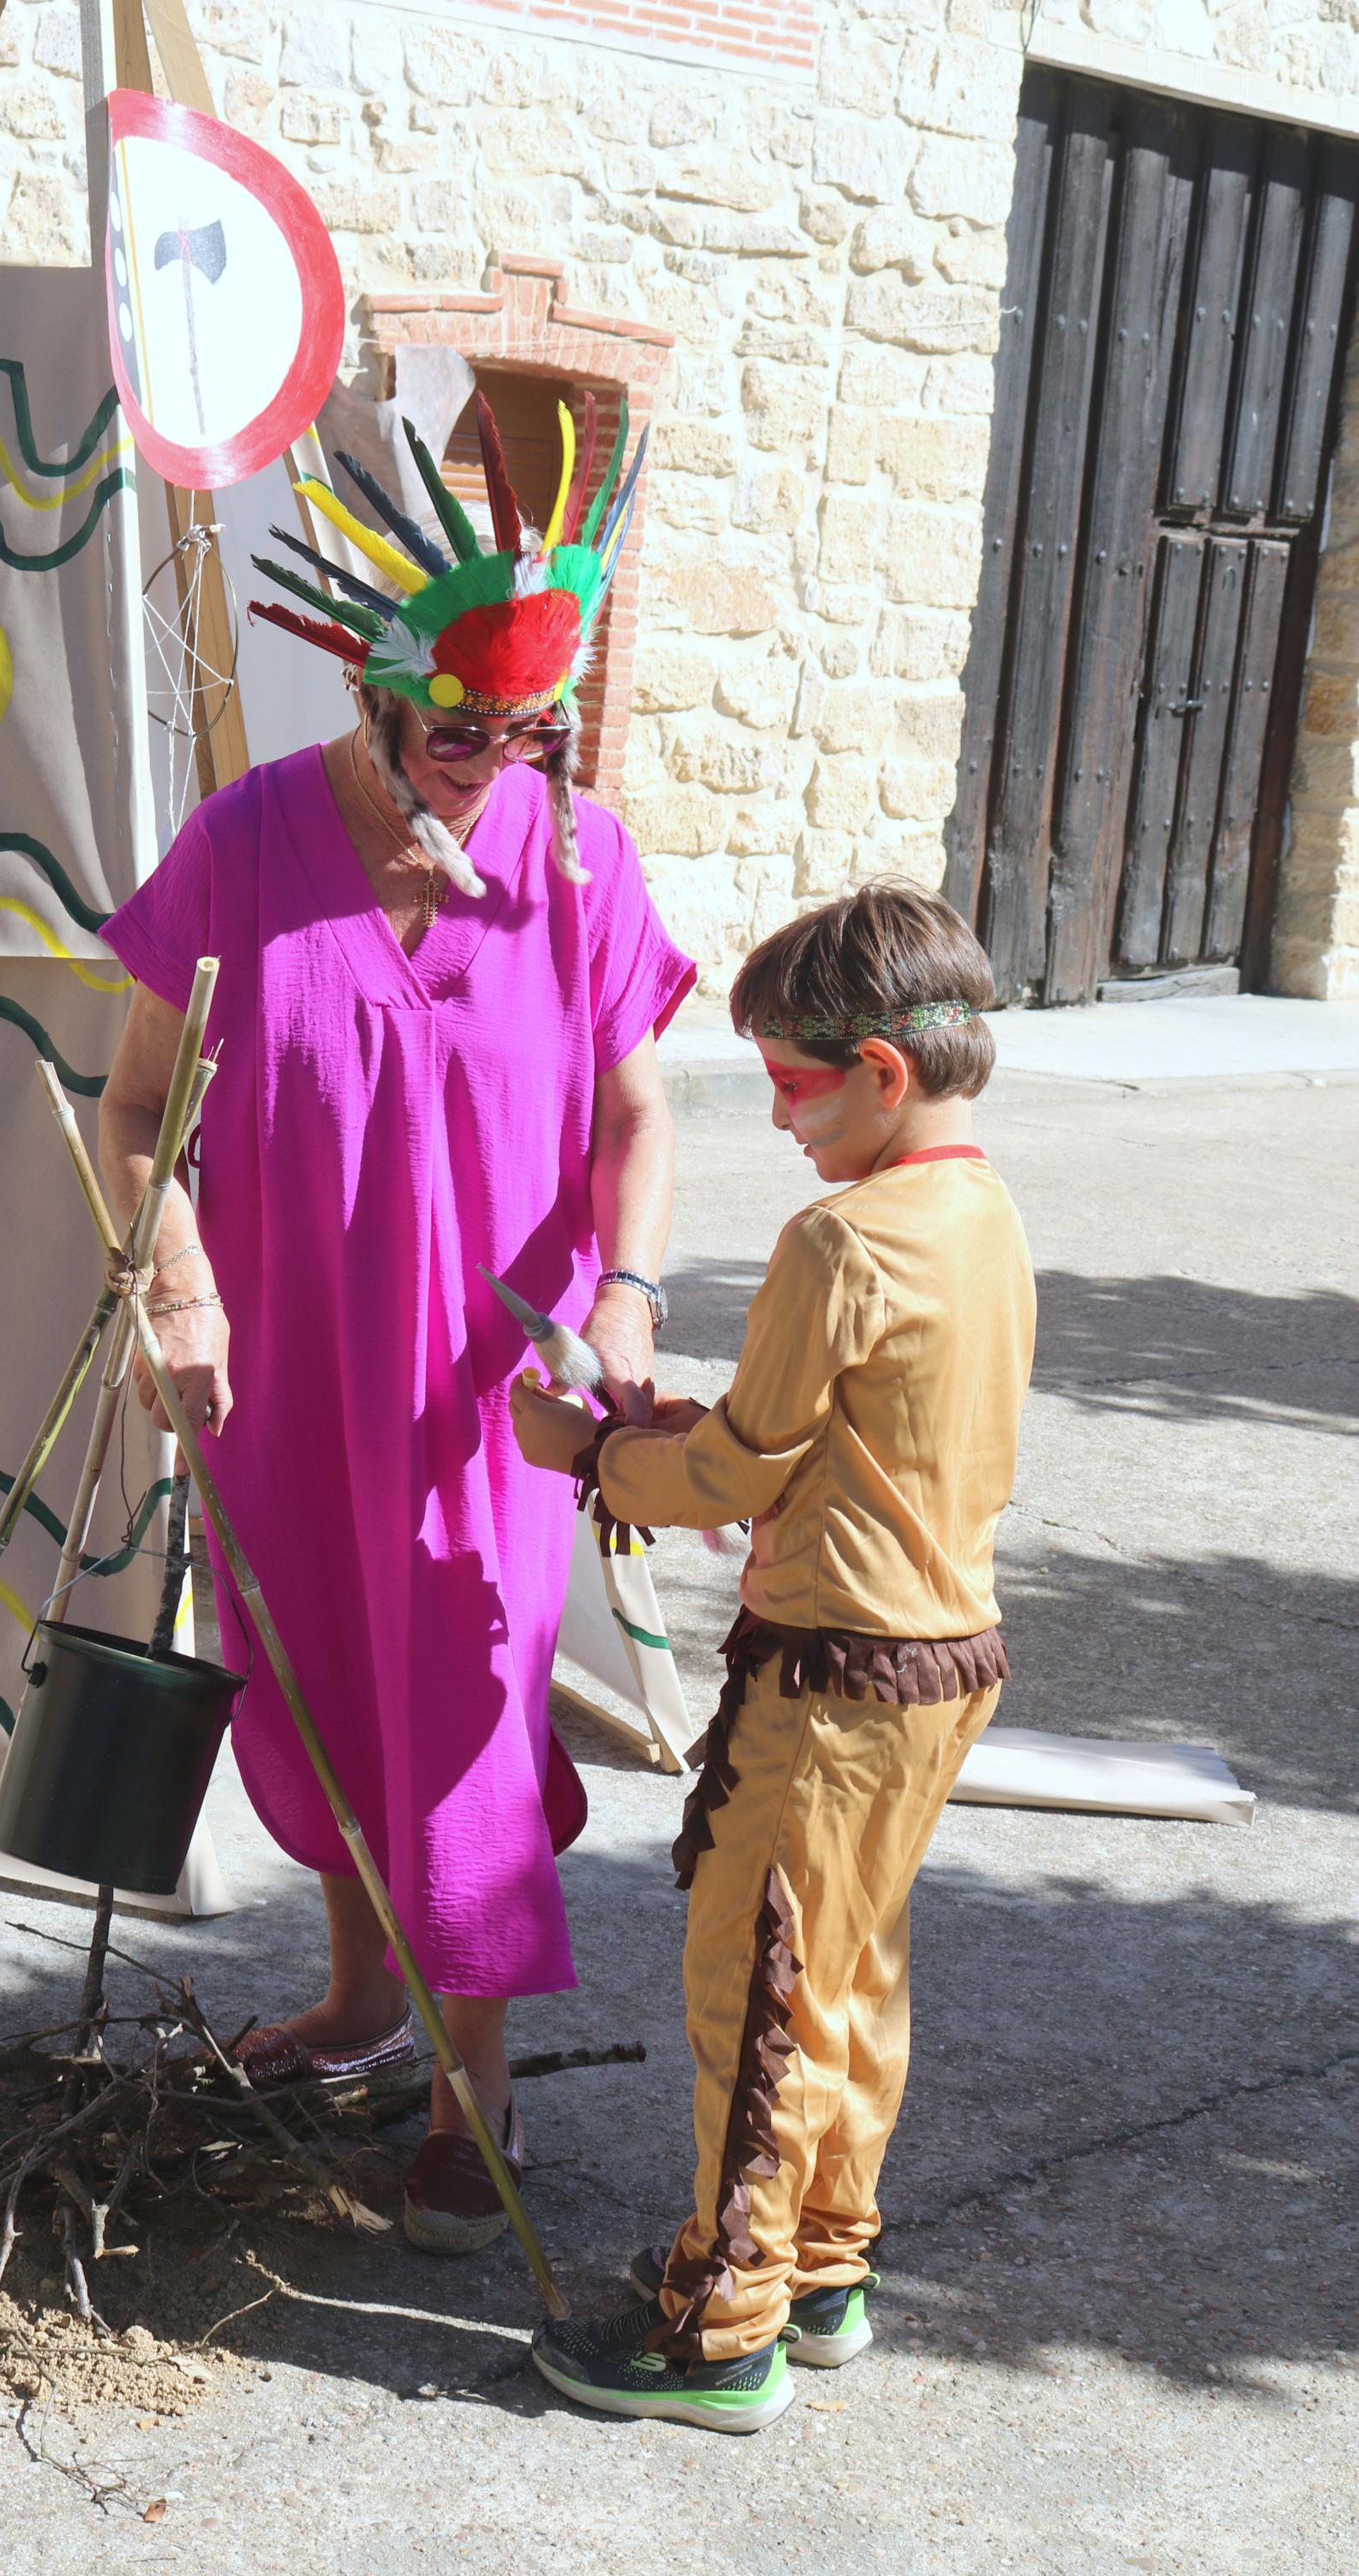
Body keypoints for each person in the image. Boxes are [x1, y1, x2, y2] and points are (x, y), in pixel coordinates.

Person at [98, 393, 694, 2252]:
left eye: (531, 732)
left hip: (491, 1391)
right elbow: (131, 1113)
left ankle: (471, 2084)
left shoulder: (575, 856)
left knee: (462, 1699)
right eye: (460, 732)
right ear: (369, 694)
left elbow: (641, 1111)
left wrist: (635, 1291)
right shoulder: (250, 842)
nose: (494, 766)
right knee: (330, 1679)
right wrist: (174, 1278)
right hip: (292, 1369)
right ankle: (365, 1998)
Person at [510, 882, 1035, 2429]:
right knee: (851, 1970)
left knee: (757, 1988)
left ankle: (717, 2326)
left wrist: (591, 1458)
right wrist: (706, 1440)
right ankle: (822, 2268)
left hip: (833, 1673)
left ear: (881, 1072)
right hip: (944, 1654)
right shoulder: (980, 1211)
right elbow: (845, 1442)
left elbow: (736, 1473)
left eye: (790, 1087)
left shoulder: (843, 1238)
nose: (779, 1123)